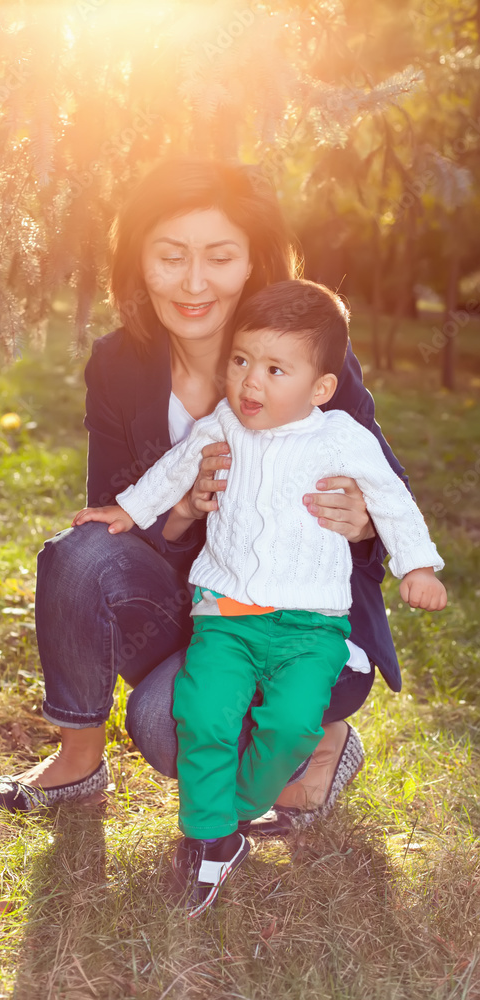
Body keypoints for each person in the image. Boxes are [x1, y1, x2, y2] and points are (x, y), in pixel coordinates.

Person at [0, 158, 410, 830]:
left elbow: (385, 500)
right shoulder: (118, 365)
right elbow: (114, 517)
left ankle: (321, 743)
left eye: (219, 257)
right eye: (171, 257)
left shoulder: (306, 358)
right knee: (79, 551)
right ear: (139, 262)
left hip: (292, 614)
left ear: (252, 264)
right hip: (198, 602)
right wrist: (180, 510)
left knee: (162, 724)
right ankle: (77, 761)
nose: (194, 282)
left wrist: (359, 522)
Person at [71, 279, 446, 916]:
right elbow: (174, 470)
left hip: (310, 627)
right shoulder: (223, 422)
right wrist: (128, 512)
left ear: (321, 388)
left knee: (292, 724)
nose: (251, 381)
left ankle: (237, 811)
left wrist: (419, 565)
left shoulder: (341, 438)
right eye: (241, 361)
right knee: (203, 713)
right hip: (226, 616)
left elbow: (391, 499)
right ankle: (209, 838)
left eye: (276, 369)